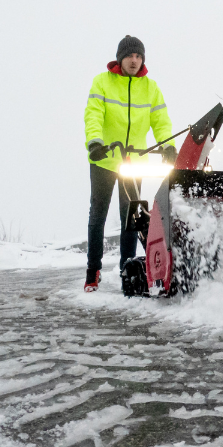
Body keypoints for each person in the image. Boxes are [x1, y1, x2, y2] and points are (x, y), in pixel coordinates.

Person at [83, 35, 176, 292]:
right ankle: (93, 270)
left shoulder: (150, 87)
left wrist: (168, 146)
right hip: (104, 159)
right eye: (129, 56)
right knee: (98, 215)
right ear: (120, 58)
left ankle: (128, 268)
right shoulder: (102, 82)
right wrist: (95, 142)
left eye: (138, 56)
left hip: (133, 161)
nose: (134, 61)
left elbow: (161, 120)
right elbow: (93, 114)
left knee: (131, 217)